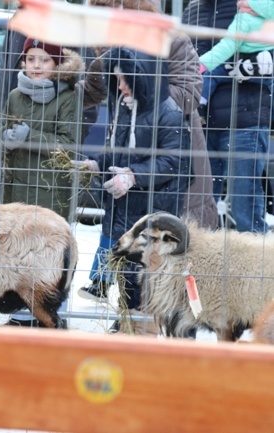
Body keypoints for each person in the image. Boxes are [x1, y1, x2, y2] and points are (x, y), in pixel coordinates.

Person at [77, 0, 218, 304]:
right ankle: (126, 308)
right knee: (131, 235)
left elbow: (189, 95)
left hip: (172, 155)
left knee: (174, 241)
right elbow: (91, 93)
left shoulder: (172, 40)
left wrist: (137, 79)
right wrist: (93, 64)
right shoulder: (113, 45)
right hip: (128, 157)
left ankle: (174, 317)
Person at [75, 47, 191, 333]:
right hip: (125, 207)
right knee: (127, 268)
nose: (122, 86)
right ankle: (127, 319)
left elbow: (174, 162)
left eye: (127, 79)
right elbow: (118, 152)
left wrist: (133, 176)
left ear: (143, 78)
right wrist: (98, 164)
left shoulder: (169, 114)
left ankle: (145, 327)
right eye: (117, 79)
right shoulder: (125, 108)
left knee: (148, 270)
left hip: (154, 207)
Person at [183, 0, 272, 233]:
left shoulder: (255, 5)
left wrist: (258, 66)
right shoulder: (192, 10)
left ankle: (257, 266)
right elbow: (181, 56)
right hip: (200, 123)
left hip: (245, 119)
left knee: (245, 206)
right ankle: (200, 263)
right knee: (198, 204)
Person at [0, 37, 83, 219]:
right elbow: (1, 128)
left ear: (57, 63)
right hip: (14, 192)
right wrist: (4, 137)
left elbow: (69, 145)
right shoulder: (15, 96)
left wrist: (29, 136)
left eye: (44, 60)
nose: (36, 66)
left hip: (48, 195)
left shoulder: (67, 98)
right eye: (31, 59)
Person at [198, 0, 274, 115]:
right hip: (265, 66)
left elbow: (228, 46)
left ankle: (199, 106)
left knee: (211, 75)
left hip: (236, 63)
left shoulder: (244, 19)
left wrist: (201, 64)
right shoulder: (270, 21)